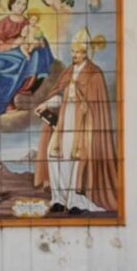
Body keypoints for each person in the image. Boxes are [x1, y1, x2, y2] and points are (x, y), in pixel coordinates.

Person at [33, 28, 118, 215]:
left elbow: (97, 106)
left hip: (83, 125)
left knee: (75, 160)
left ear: (86, 52)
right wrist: (45, 104)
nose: (75, 55)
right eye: (73, 51)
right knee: (53, 155)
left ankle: (75, 201)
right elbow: (60, 95)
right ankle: (58, 199)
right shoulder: (68, 71)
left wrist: (83, 104)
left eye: (78, 52)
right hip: (65, 121)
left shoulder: (94, 73)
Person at [0, 0, 54, 115]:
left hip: (22, 55)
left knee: (26, 64)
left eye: (24, 4)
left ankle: (8, 102)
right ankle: (1, 99)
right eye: (18, 3)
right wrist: (14, 43)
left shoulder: (28, 22)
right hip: (4, 53)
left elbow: (38, 37)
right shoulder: (3, 22)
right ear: (12, 4)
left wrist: (36, 42)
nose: (21, 7)